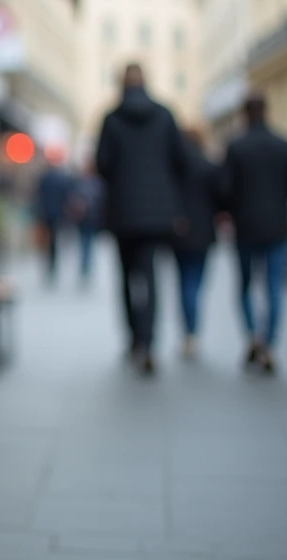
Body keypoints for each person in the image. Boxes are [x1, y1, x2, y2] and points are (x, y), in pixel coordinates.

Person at [95, 63, 186, 375]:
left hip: (122, 211)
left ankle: (134, 338)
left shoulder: (111, 118)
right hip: (157, 213)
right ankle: (149, 342)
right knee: (150, 278)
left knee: (125, 278)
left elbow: (102, 163)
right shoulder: (164, 115)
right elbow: (180, 160)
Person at [221, 91, 287, 374]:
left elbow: (225, 190)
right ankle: (270, 343)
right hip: (277, 227)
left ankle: (253, 335)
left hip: (246, 228)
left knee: (246, 285)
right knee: (274, 287)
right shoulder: (284, 146)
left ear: (244, 113)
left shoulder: (236, 147)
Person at [170, 128, 222, 359]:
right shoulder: (209, 167)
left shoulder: (173, 168)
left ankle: (188, 332)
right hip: (203, 233)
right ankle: (192, 330)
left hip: (179, 231)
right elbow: (221, 198)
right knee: (197, 282)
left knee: (184, 282)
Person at [34, 146, 73, 284]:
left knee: (48, 242)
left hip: (46, 213)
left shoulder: (45, 177)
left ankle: (50, 266)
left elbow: (38, 195)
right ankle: (53, 265)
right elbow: (67, 197)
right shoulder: (62, 178)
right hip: (57, 214)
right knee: (54, 241)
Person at [69, 160, 105, 284]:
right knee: (88, 242)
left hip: (85, 218)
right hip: (91, 218)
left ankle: (85, 265)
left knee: (85, 242)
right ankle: (87, 265)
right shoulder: (97, 183)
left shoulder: (81, 183)